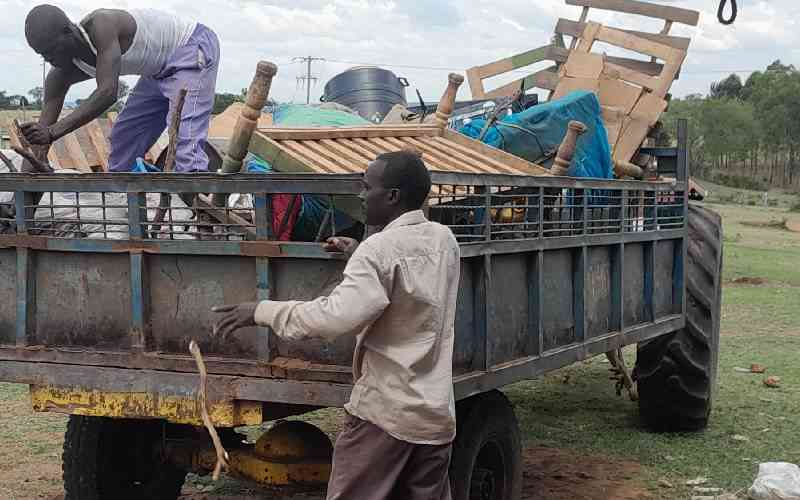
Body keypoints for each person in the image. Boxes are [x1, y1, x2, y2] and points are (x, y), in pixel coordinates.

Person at [213, 150, 461, 500]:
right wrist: (359, 251)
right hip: (435, 418)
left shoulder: (380, 252)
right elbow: (408, 281)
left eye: (367, 187)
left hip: (385, 417)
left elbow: (333, 317)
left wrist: (261, 311)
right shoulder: (444, 240)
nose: (361, 195)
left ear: (392, 196)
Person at [22, 5, 219, 172]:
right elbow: (38, 147)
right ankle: (125, 204)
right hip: (156, 72)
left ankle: (197, 209)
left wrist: (52, 132)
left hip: (190, 48)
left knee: (187, 146)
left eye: (52, 50)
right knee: (124, 139)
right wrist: (21, 200)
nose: (49, 59)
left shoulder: (101, 26)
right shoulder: (59, 75)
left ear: (69, 32)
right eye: (43, 55)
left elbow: (107, 93)